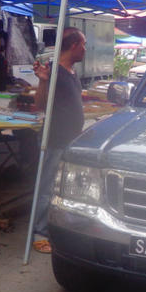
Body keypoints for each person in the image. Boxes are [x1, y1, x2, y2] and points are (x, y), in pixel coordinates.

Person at [31, 27, 86, 254]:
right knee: (46, 188)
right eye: (83, 45)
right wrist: (43, 81)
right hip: (55, 138)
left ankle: (56, 227)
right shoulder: (54, 72)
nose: (85, 50)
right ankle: (39, 234)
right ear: (73, 46)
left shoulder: (71, 72)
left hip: (70, 140)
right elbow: (40, 104)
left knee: (63, 188)